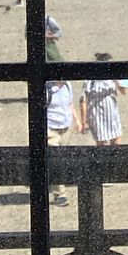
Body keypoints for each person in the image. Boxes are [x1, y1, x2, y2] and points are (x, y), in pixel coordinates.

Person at [78, 61, 126, 147]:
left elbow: (123, 90)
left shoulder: (112, 76)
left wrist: (119, 82)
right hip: (97, 113)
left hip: (110, 111)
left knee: (115, 138)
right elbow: (83, 101)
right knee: (102, 141)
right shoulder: (89, 81)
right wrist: (84, 122)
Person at [43, 80, 75, 208]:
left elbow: (70, 104)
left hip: (66, 128)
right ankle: (60, 193)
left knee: (62, 160)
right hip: (50, 129)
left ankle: (51, 184)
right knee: (56, 160)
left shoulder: (68, 84)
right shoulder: (46, 88)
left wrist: (78, 121)